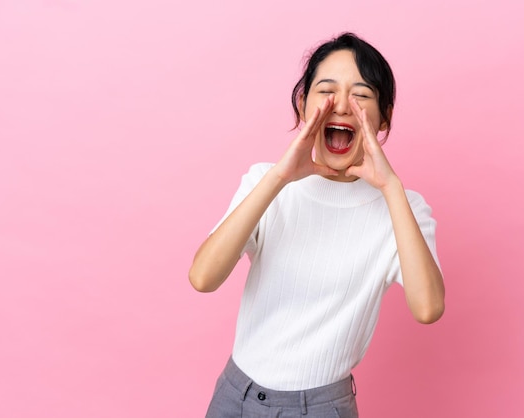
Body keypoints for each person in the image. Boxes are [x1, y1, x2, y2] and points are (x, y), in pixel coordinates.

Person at [189, 32, 445, 418]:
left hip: (321, 408)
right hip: (233, 396)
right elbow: (203, 278)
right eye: (327, 91)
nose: (342, 105)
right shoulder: (266, 181)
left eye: (361, 95)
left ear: (384, 116)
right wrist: (279, 178)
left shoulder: (404, 209)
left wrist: (391, 187)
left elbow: (428, 308)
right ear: (302, 103)